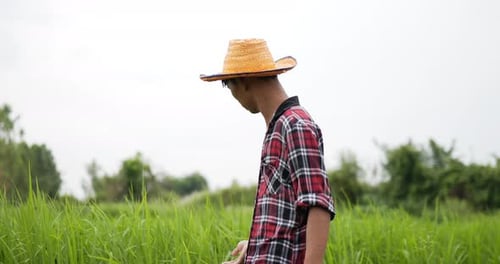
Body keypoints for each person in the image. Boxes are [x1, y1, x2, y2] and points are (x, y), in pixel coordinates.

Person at [200, 39, 335, 264]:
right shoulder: (277, 126)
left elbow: (317, 204)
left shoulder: (295, 125)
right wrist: (253, 247)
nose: (233, 95)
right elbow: (286, 215)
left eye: (228, 85)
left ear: (243, 81)